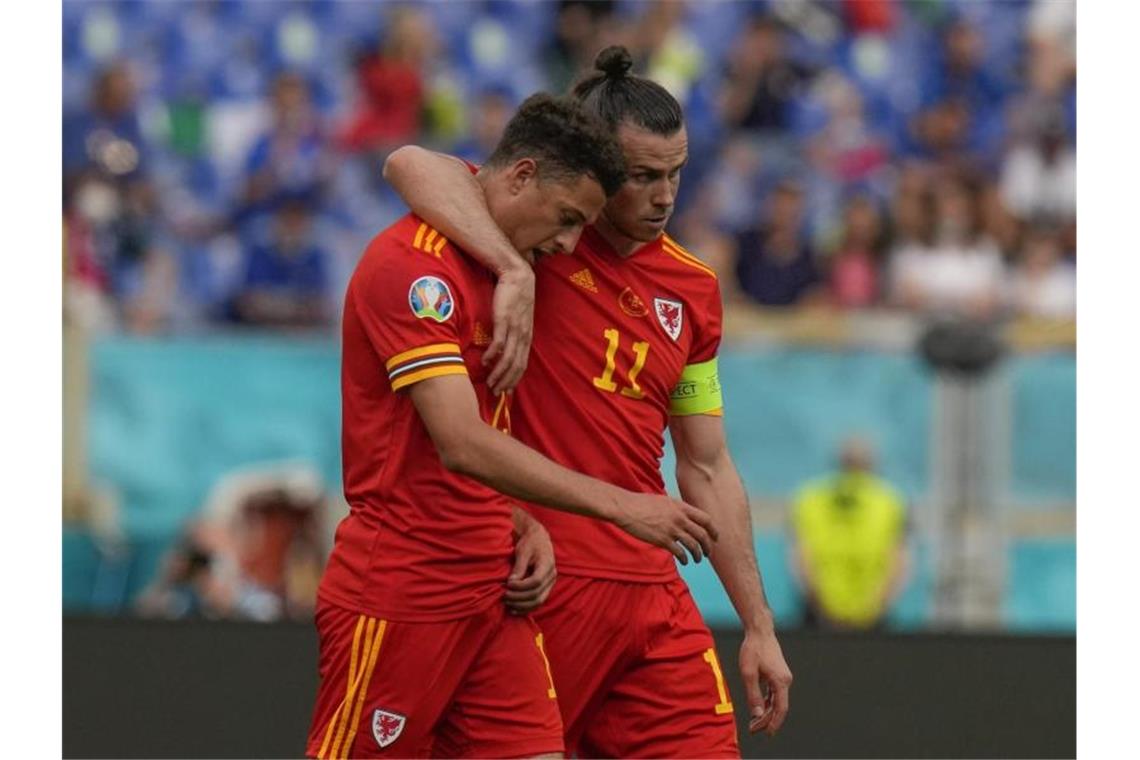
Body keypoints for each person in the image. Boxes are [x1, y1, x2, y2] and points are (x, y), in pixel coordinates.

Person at [383, 47, 792, 757]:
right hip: (542, 582)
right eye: (641, 177)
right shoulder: (541, 235)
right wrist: (512, 266)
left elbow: (706, 464)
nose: (665, 196)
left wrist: (757, 624)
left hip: (653, 591)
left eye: (676, 174)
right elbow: (409, 163)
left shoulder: (693, 290)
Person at [307, 93, 718, 760]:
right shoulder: (416, 271)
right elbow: (462, 443)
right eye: (565, 219)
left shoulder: (506, 268)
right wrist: (624, 507)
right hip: (403, 588)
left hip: (495, 593)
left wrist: (519, 522)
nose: (567, 244)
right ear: (523, 176)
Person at [790, 437, 909, 630]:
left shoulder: (809, 499)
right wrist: (876, 607)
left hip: (819, 616)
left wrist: (821, 605)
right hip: (873, 618)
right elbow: (899, 563)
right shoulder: (891, 501)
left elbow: (800, 560)